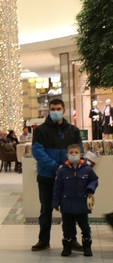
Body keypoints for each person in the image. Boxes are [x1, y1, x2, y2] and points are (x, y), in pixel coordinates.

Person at [31, 99, 83, 251]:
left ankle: (70, 239)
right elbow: (38, 152)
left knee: (69, 210)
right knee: (46, 210)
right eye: (52, 109)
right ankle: (43, 240)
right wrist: (56, 168)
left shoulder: (73, 130)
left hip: (68, 178)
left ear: (64, 109)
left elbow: (79, 150)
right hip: (46, 177)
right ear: (49, 110)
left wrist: (66, 168)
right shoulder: (40, 130)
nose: (55, 111)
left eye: (58, 108)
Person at [52, 144, 98, 257]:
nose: (73, 154)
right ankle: (67, 247)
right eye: (71, 153)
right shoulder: (62, 171)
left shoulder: (87, 169)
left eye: (76, 152)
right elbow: (57, 188)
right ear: (67, 155)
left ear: (81, 154)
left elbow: (94, 180)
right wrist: (56, 203)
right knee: (67, 228)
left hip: (82, 205)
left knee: (85, 227)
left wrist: (90, 189)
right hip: (67, 205)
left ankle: (87, 247)